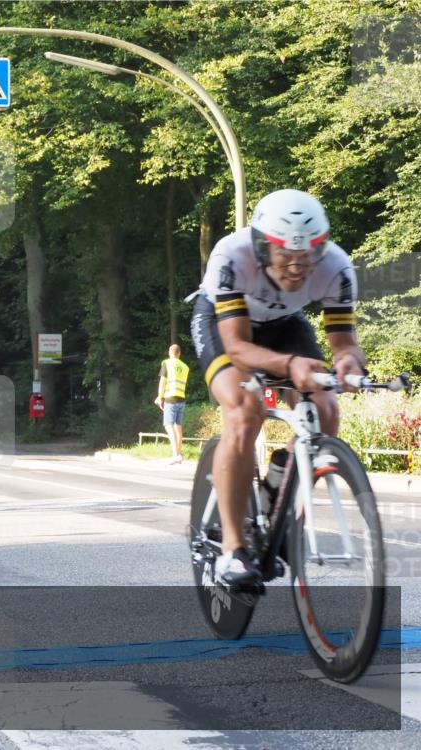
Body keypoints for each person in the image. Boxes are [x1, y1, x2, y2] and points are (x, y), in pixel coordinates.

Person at [191, 189, 365, 587]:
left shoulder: (337, 266)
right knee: (243, 409)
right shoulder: (231, 255)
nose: (295, 268)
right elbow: (236, 347)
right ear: (262, 247)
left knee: (326, 409)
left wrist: (348, 363)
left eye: (306, 258)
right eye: (285, 256)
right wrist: (289, 365)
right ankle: (233, 550)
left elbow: (343, 342)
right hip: (225, 323)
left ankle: (278, 490)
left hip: (286, 323)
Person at [154, 344, 189, 464]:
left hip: (170, 397)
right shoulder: (185, 367)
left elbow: (162, 382)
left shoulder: (167, 363)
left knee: (168, 425)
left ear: (170, 353)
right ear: (179, 353)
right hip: (181, 398)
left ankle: (175, 455)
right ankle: (178, 454)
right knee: (178, 426)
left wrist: (160, 397)